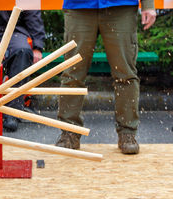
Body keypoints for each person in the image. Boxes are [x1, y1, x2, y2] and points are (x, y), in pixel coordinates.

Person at [55, 0, 157, 154]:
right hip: (79, 7)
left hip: (121, 7)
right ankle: (69, 132)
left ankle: (127, 133)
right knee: (72, 73)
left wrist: (148, 4)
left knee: (125, 74)